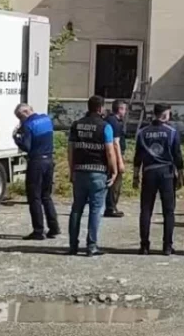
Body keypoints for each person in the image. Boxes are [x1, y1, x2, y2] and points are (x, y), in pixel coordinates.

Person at [67, 96, 118, 257]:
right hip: (98, 172)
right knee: (95, 210)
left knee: (77, 208)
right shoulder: (105, 127)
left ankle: (73, 245)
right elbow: (110, 152)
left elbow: (70, 150)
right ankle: (91, 246)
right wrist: (114, 170)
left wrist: (71, 170)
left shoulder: (76, 125)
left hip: (79, 171)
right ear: (100, 108)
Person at [133, 103, 184, 255]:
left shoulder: (142, 132)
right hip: (166, 173)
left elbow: (137, 156)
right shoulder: (172, 132)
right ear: (164, 115)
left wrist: (135, 175)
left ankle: (144, 246)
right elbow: (177, 155)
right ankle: (167, 246)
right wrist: (181, 175)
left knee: (146, 209)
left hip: (149, 172)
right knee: (168, 211)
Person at [13, 103, 60, 240]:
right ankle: (54, 228)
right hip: (49, 160)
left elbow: (27, 146)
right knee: (46, 196)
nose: (20, 120)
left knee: (34, 197)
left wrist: (17, 138)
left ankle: (38, 231)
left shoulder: (28, 125)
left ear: (24, 113)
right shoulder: (46, 119)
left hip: (37, 162)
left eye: (20, 117)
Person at [103, 99, 128, 218]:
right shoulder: (115, 122)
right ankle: (111, 207)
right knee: (116, 182)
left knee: (110, 180)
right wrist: (120, 161)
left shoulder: (108, 119)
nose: (125, 112)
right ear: (120, 109)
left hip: (108, 154)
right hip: (114, 154)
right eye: (124, 109)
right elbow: (115, 143)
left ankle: (110, 206)